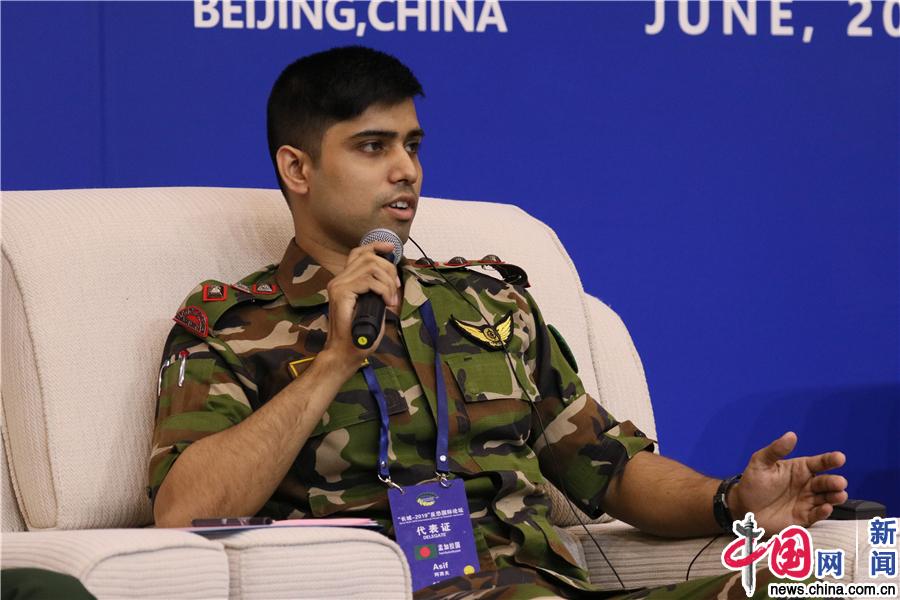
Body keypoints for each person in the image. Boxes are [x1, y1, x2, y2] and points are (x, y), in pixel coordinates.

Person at [148, 46, 848, 598]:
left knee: (828, 584)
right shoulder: (235, 324)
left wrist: (732, 501)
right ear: (297, 169)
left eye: (413, 145)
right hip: (399, 588)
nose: (406, 170)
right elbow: (186, 512)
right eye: (373, 146)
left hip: (544, 586)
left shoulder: (486, 303)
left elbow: (609, 469)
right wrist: (334, 359)